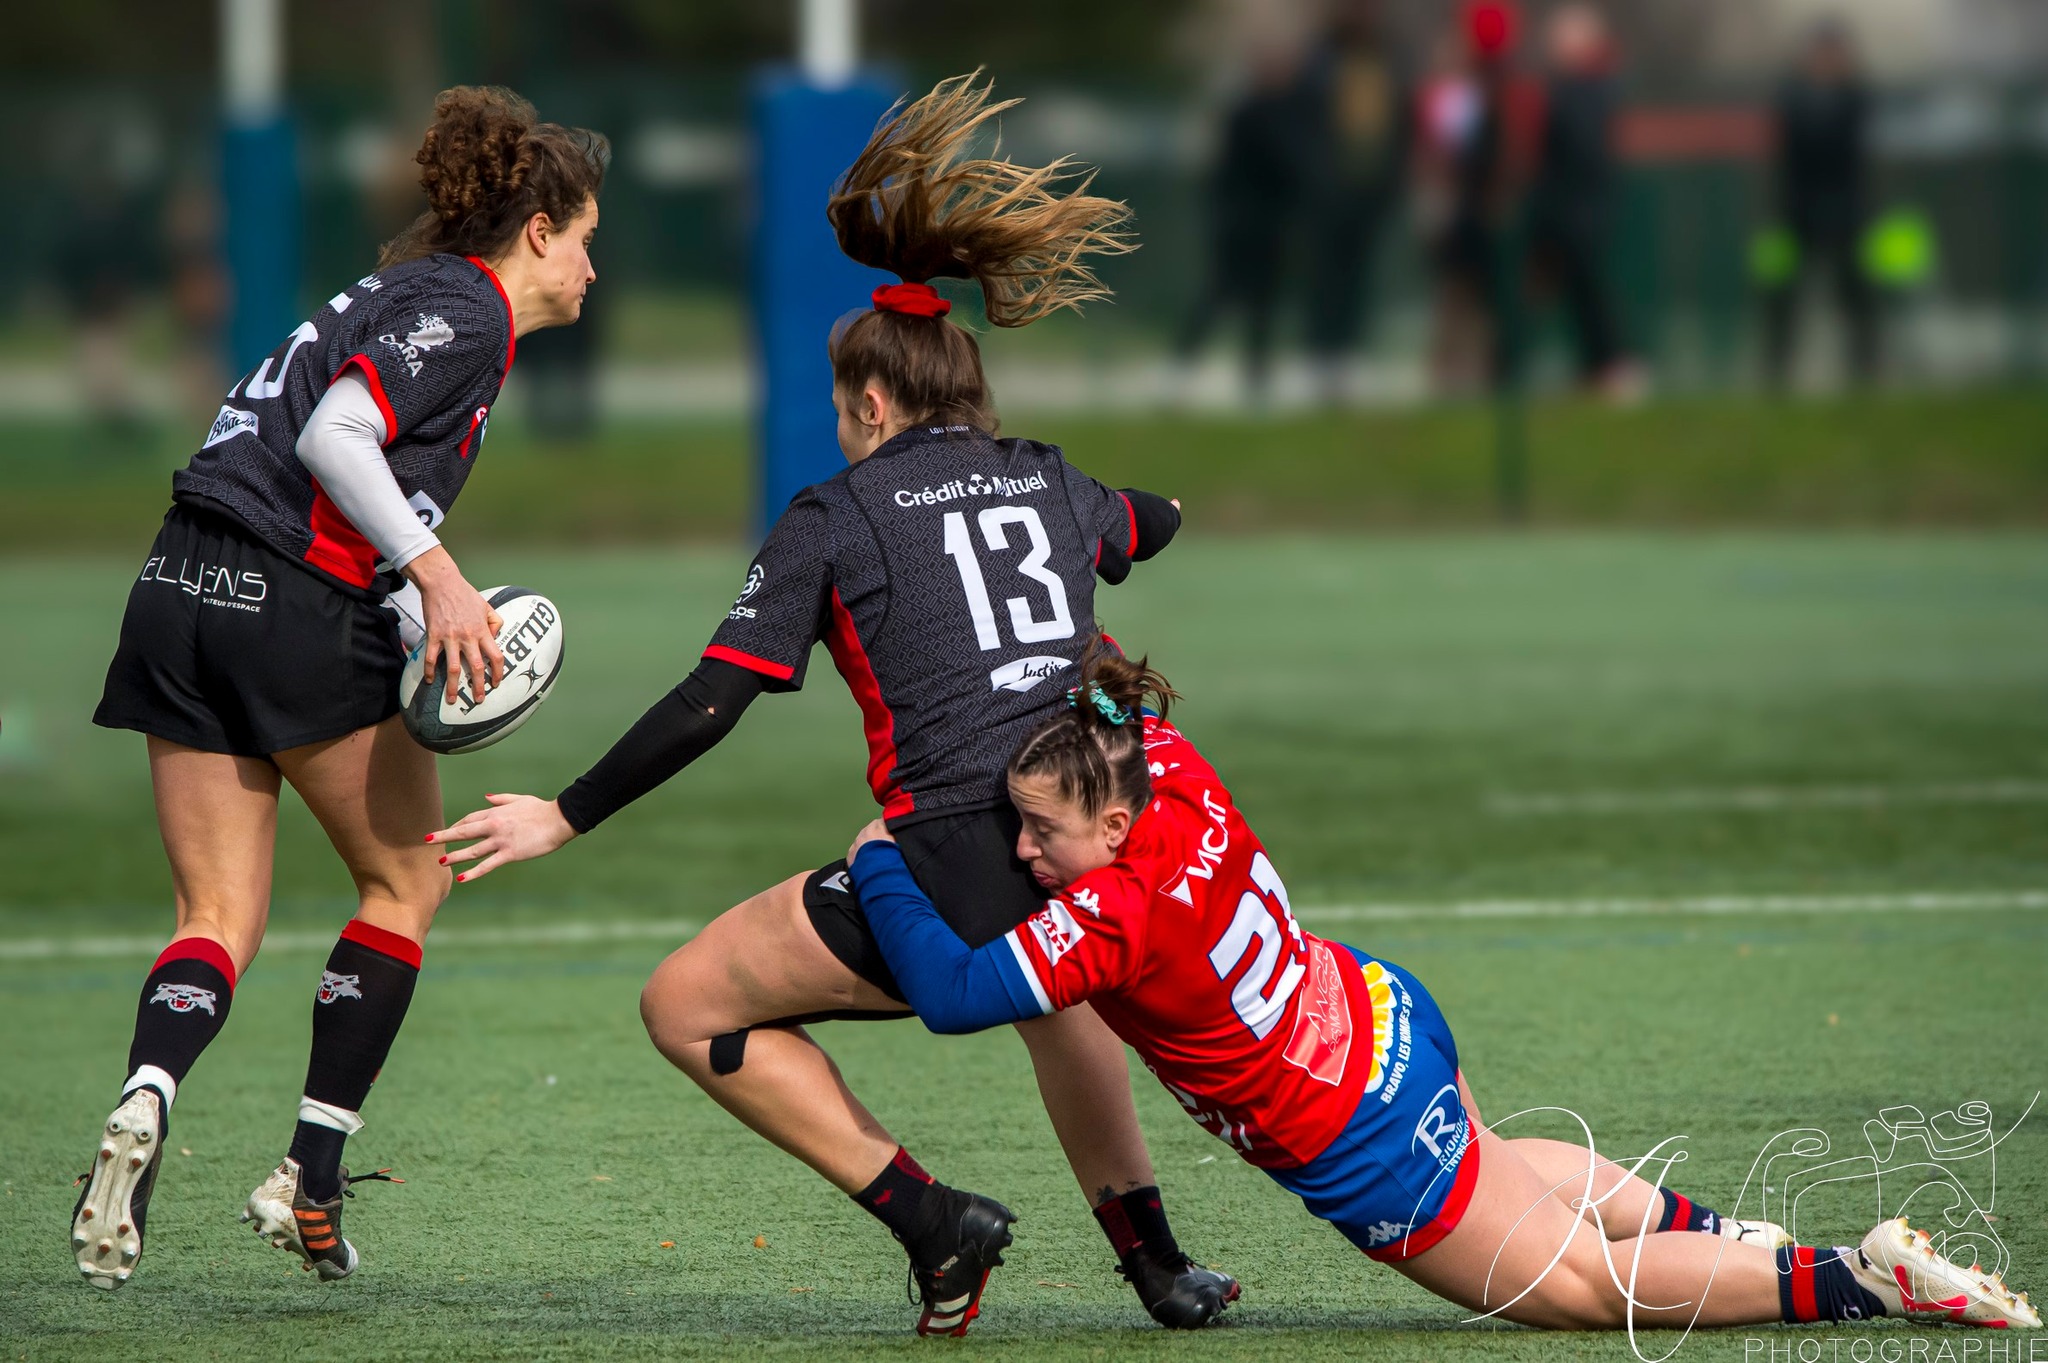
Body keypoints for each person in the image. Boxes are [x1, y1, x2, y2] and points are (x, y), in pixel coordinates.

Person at [429, 73, 1234, 1335]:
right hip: (1096, 834)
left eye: (841, 411)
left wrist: (564, 814)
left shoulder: (836, 512)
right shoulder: (1046, 475)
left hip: (960, 857)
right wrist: (1132, 521)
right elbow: (1154, 521)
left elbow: (713, 699)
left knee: (683, 1004)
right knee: (1056, 991)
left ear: (870, 402)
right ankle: (1159, 1267)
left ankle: (932, 1218)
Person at [845, 643, 2042, 1334]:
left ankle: (1858, 1278)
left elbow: (954, 993)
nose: (1021, 853)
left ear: (1109, 827)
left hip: (1351, 1127)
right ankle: (1726, 1235)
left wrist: (883, 856)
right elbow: (1099, 720)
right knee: (1501, 1170)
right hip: (1376, 1013)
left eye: (1039, 831)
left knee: (1579, 1290)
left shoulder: (1111, 911)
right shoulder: (1162, 760)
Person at [75, 87, 607, 1291]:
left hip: (176, 582)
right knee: (407, 879)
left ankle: (148, 1088)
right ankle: (307, 1173)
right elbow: (335, 438)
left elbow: (330, 470)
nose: (591, 266)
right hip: (284, 597)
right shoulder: (464, 309)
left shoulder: (406, 294)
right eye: (583, 238)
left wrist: (412, 602)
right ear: (536, 232)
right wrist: (440, 578)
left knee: (215, 912)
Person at [1526, 3, 1639, 399]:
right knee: (1575, 294)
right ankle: (1593, 368)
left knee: (1591, 291)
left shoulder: (1589, 90)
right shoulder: (1569, 89)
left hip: (1580, 209)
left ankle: (1614, 365)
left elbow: (1581, 153)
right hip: (1568, 209)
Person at [1765, 18, 1877, 389]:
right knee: (1785, 299)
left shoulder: (1854, 98)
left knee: (1854, 296)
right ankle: (1777, 373)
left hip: (1845, 212)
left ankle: (1864, 371)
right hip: (1798, 212)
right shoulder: (1794, 99)